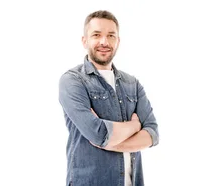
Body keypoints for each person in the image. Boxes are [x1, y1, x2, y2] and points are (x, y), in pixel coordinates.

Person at [58, 10, 159, 186]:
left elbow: (152, 134)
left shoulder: (132, 84)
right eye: (96, 35)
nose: (104, 42)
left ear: (118, 41)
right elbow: (99, 134)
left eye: (111, 35)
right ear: (85, 40)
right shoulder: (72, 81)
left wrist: (111, 143)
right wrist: (135, 126)